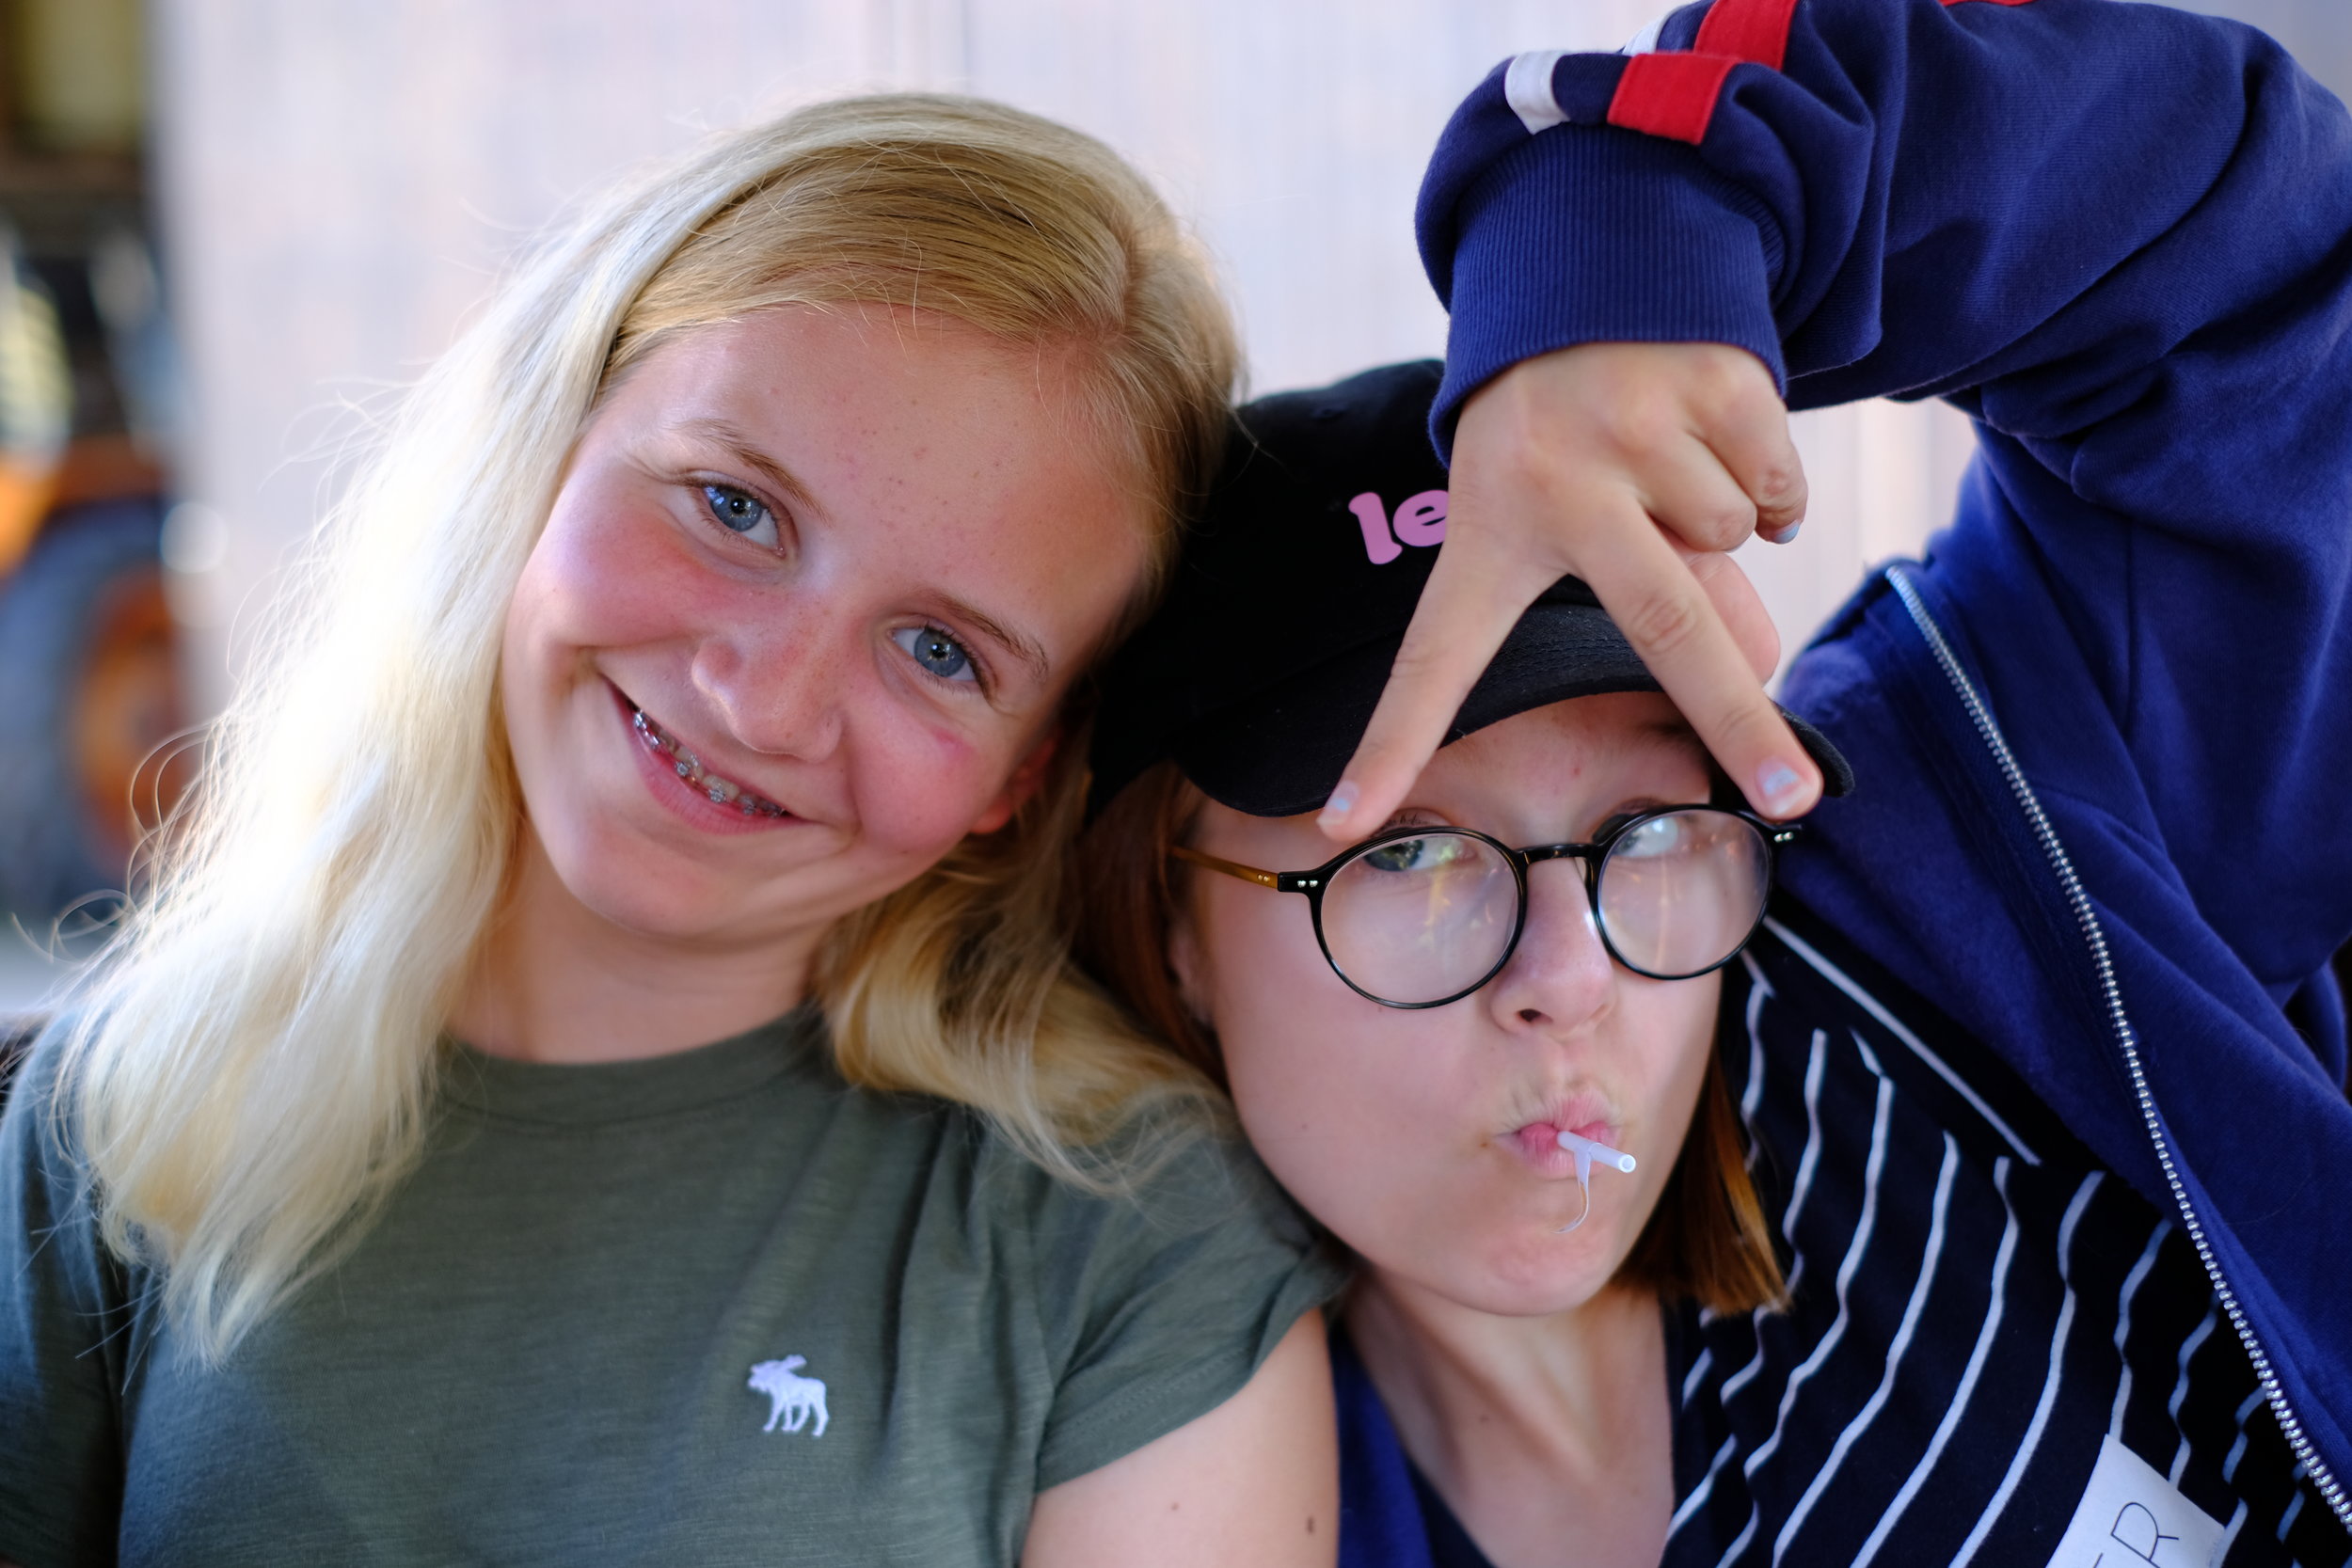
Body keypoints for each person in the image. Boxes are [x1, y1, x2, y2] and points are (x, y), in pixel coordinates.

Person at [1077, 0, 2352, 1557]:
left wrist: (1636, 213)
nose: (1570, 982)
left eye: (1651, 829)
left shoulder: (1998, 880)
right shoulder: (1161, 1483)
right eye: (1408, 853)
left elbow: (2262, 307)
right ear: (1173, 928)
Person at [0, 95, 1343, 1568]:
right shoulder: (126, 1111)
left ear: (1021, 775)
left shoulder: (1123, 1242)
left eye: (940, 652)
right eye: (733, 508)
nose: (765, 703)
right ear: (547, 439)